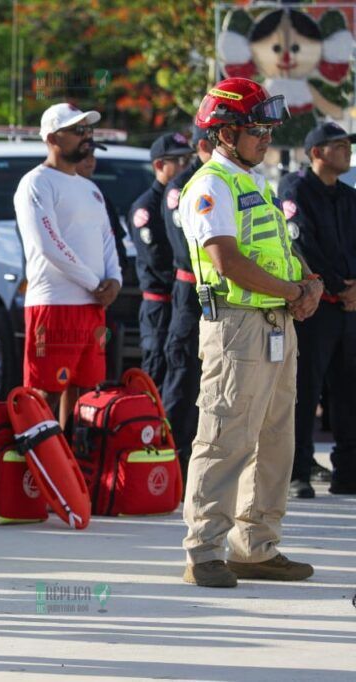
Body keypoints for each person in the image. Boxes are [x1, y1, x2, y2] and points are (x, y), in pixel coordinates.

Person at [179, 77, 320, 588]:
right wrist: (290, 292)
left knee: (275, 442)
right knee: (225, 440)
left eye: (267, 128)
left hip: (275, 325)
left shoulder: (252, 183)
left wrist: (306, 282)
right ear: (225, 132)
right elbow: (227, 259)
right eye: (257, 128)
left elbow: (278, 250)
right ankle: (203, 551)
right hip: (237, 327)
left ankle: (255, 547)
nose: (266, 137)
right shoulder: (211, 184)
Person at [14, 103, 122, 428]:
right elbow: (49, 243)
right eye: (77, 130)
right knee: (46, 394)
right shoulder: (36, 183)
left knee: (85, 394)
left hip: (92, 307)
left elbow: (107, 239)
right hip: (55, 303)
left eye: (88, 130)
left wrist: (114, 280)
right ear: (51, 138)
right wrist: (94, 283)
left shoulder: (91, 188)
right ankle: (36, 472)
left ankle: (75, 469)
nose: (86, 137)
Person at [279, 122, 356, 499]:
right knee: (304, 390)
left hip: (349, 307)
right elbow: (301, 243)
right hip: (315, 308)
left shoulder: (348, 195)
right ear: (316, 153)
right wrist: (341, 287)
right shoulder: (295, 190)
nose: (346, 151)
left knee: (349, 390)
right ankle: (297, 471)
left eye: (347, 145)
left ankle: (348, 471)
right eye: (338, 146)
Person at [161, 126, 215, 483]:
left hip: (220, 295)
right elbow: (186, 248)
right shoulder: (184, 186)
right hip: (190, 292)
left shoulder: (234, 181)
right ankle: (170, 463)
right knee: (182, 378)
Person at [129, 133, 194, 387]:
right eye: (178, 161)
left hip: (181, 300)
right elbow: (158, 259)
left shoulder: (182, 198)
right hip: (161, 305)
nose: (186, 166)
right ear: (159, 165)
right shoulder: (146, 207)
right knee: (156, 373)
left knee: (181, 373)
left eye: (188, 159)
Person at [75, 144, 131, 281]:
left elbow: (116, 244)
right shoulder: (56, 192)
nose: (90, 161)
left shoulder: (98, 196)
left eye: (92, 155)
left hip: (104, 285)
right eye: (84, 156)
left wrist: (114, 278)